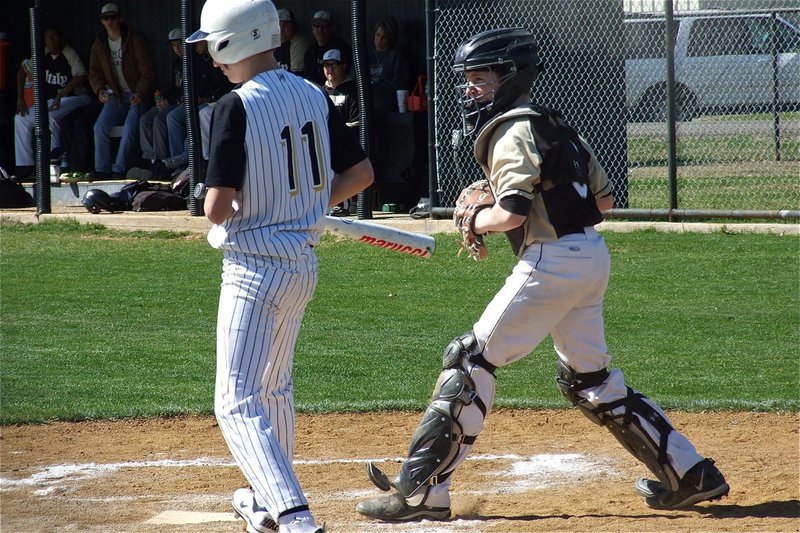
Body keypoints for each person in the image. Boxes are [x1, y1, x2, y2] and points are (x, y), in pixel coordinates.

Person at [356, 28, 729, 522]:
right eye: (467, 80)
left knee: (470, 359)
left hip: (551, 261)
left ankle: (421, 491)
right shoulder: (556, 125)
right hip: (590, 256)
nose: (470, 89)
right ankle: (691, 473)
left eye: (480, 79)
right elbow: (603, 201)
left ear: (510, 79)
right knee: (589, 379)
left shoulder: (512, 130)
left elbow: (509, 213)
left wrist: (472, 219)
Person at [186, 1, 373, 532]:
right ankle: (269, 503)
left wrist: (239, 208)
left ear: (233, 41)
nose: (213, 59)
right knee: (274, 389)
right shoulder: (312, 91)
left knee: (235, 400)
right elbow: (360, 173)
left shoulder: (235, 105)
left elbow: (216, 208)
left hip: (253, 266)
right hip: (300, 263)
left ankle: (293, 516)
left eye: (213, 46)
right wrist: (311, 207)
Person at [13, 26, 92, 181]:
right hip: (53, 102)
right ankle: (25, 167)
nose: (53, 40)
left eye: (56, 37)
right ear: (45, 40)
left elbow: (81, 75)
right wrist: (20, 98)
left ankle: (55, 164)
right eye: (50, 37)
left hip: (77, 98)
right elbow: (22, 71)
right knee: (20, 119)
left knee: (50, 115)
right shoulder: (43, 54)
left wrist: (61, 93)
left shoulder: (68, 52)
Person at [87, 2, 155, 180]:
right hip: (116, 96)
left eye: (113, 17)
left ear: (120, 19)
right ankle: (102, 169)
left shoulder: (134, 40)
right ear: (101, 21)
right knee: (99, 127)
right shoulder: (99, 44)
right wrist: (100, 90)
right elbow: (94, 73)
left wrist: (140, 93)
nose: (110, 21)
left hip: (136, 94)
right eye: (105, 18)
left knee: (130, 126)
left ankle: (119, 169)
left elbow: (147, 72)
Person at [137, 28, 182, 180]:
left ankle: (164, 162)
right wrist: (162, 96)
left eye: (179, 44)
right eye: (174, 45)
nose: (177, 48)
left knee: (160, 119)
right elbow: (173, 87)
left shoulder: (193, 61)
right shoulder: (176, 63)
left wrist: (169, 101)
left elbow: (189, 91)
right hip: (171, 101)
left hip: (182, 103)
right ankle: (153, 160)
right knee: (145, 119)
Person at [321, 48, 359, 216]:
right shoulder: (319, 92)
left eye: (334, 65)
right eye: (326, 66)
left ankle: (344, 204)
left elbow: (356, 123)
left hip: (346, 143)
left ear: (344, 66)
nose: (330, 70)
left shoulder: (353, 90)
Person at [368, 16, 410, 112]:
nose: (379, 40)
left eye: (384, 37)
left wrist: (379, 84)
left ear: (390, 39)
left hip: (387, 102)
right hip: (366, 101)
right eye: (378, 35)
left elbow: (399, 84)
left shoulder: (396, 56)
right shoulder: (365, 54)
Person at [301, 10, 352, 86]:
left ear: (331, 28)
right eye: (317, 26)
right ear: (312, 28)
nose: (320, 30)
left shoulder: (341, 47)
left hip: (338, 90)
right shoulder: (310, 51)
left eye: (324, 26)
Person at [274, 8, 309, 75]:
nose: (281, 28)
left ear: (293, 26)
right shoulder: (272, 43)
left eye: (285, 24)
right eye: (278, 24)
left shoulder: (298, 43)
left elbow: (296, 75)